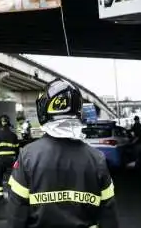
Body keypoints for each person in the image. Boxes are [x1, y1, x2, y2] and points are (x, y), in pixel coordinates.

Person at [7, 79, 119, 228]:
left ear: (44, 109)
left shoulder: (28, 156)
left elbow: (16, 215)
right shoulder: (96, 159)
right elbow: (109, 216)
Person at [0, 114, 19, 206]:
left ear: (0, 123)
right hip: (11, 160)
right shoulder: (13, 135)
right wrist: (17, 161)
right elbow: (17, 150)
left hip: (0, 160)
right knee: (12, 179)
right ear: (8, 123)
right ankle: (12, 197)